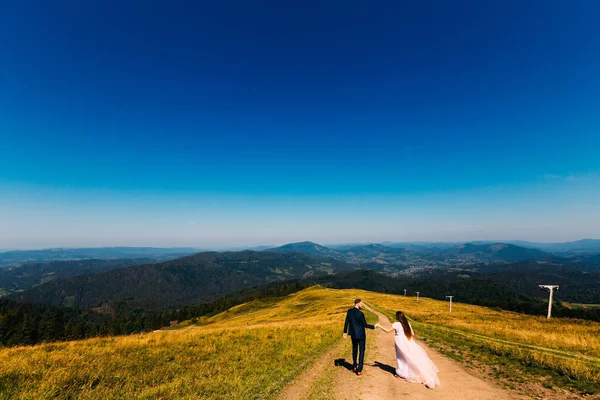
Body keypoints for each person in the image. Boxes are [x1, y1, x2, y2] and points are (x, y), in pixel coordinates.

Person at [377, 311, 440, 389]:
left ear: (397, 317)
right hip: (408, 342)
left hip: (399, 343)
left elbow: (387, 331)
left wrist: (379, 325)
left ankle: (403, 373)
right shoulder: (407, 324)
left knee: (401, 358)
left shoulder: (396, 324)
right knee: (409, 358)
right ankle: (411, 372)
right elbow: (412, 334)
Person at [343, 298, 378, 375]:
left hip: (353, 334)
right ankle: (359, 370)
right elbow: (365, 325)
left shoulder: (349, 311)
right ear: (357, 303)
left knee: (354, 349)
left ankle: (354, 365)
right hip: (361, 335)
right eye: (361, 304)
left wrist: (345, 332)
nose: (362, 305)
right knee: (362, 351)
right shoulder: (360, 314)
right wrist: (374, 326)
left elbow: (346, 322)